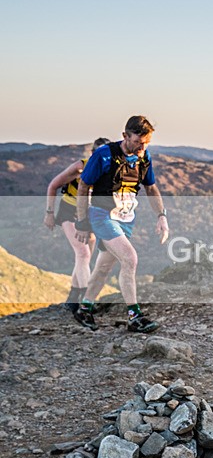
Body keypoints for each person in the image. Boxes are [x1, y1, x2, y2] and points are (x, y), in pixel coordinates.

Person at [73, 116, 169, 333]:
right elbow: (83, 186)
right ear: (125, 136)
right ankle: (134, 316)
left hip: (126, 218)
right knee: (130, 258)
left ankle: (84, 308)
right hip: (102, 215)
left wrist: (161, 216)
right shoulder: (104, 155)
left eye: (147, 142)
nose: (142, 146)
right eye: (138, 142)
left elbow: (151, 188)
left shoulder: (144, 158)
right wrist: (81, 221)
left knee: (105, 266)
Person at [44, 137, 110, 313]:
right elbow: (53, 186)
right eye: (98, 154)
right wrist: (49, 213)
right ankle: (86, 300)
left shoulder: (108, 170)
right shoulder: (79, 167)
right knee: (83, 253)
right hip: (69, 211)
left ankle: (72, 299)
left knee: (84, 256)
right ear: (92, 153)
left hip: (90, 215)